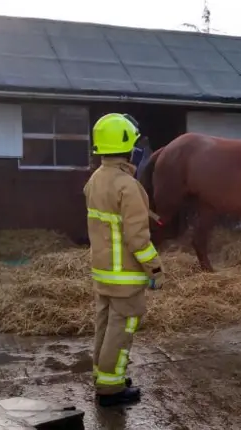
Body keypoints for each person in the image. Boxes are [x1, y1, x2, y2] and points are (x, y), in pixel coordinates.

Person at [83, 112, 173, 406]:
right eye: (136, 144)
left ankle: (104, 375)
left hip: (103, 272)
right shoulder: (127, 186)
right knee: (121, 332)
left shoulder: (95, 179)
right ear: (127, 148)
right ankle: (111, 390)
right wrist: (156, 268)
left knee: (105, 325)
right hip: (126, 276)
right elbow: (137, 239)